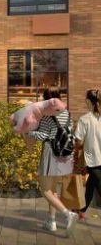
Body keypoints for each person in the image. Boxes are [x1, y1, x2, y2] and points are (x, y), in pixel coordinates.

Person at [29, 87, 78, 234]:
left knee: (45, 190)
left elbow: (44, 135)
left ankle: (68, 215)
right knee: (53, 189)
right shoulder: (67, 113)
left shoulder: (47, 115)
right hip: (63, 154)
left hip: (51, 153)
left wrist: (30, 132)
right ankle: (51, 221)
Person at [74, 89, 101, 218]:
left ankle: (81, 210)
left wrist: (77, 146)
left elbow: (78, 141)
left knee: (97, 185)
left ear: (88, 101)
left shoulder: (84, 120)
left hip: (93, 159)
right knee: (92, 183)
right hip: (96, 159)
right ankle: (82, 210)